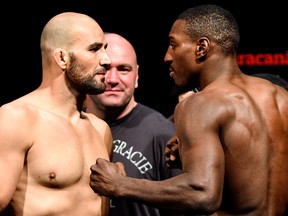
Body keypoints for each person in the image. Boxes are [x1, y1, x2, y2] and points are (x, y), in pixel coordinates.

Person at [89, 4, 288, 215]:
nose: (167, 56)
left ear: (201, 48)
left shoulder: (200, 104)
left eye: (173, 45)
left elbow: (202, 193)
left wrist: (119, 184)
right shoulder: (281, 97)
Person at [0, 12, 113, 216]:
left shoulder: (100, 129)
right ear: (62, 58)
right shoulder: (17, 118)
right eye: (94, 49)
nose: (107, 60)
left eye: (105, 49)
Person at [85, 32, 181, 216]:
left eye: (123, 69)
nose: (113, 79)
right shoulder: (66, 127)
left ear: (136, 76)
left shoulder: (164, 134)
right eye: (105, 68)